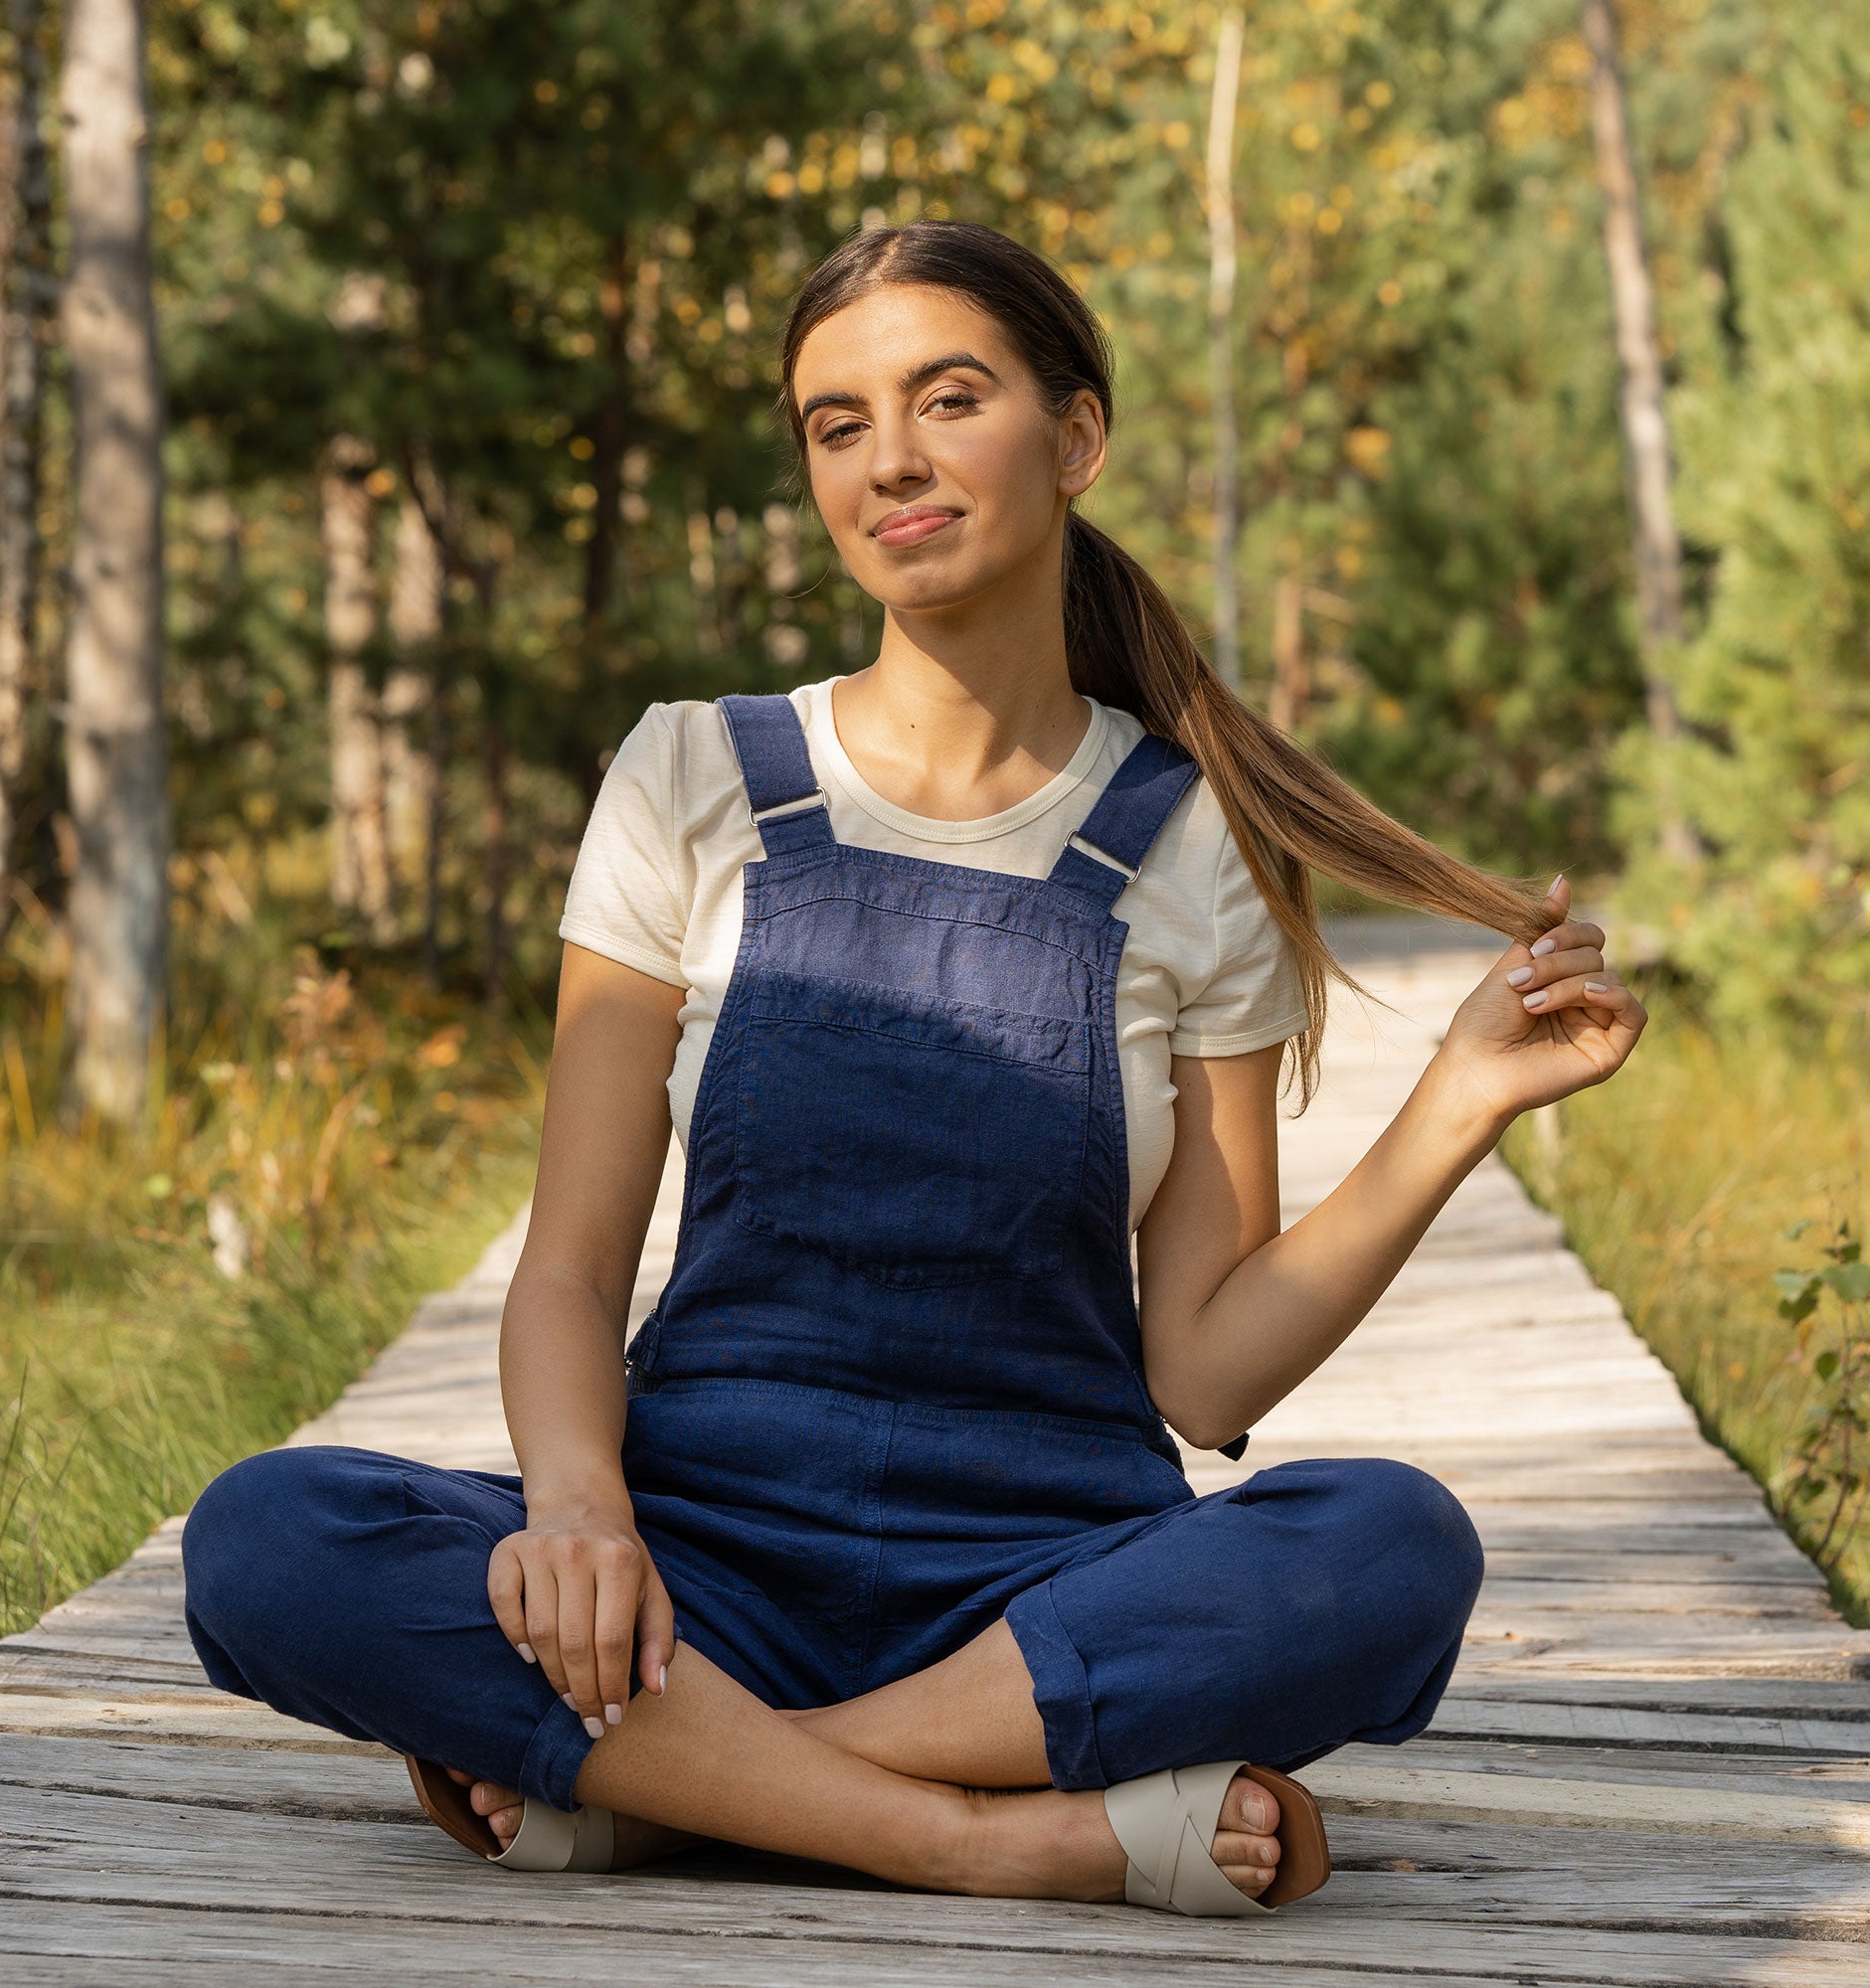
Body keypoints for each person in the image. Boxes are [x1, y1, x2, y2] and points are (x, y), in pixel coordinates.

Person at [183, 221, 1645, 1915]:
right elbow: (571, 1268)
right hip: (698, 1559)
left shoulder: (1194, 850)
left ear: (1075, 437)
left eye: (948, 400)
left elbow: (1206, 1382)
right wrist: (582, 1510)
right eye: (836, 423)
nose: (891, 462)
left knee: (1391, 1549)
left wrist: (1457, 1106)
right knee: (270, 1542)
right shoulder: (689, 778)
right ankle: (961, 1831)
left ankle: (700, 1787)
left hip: (1041, 1578)